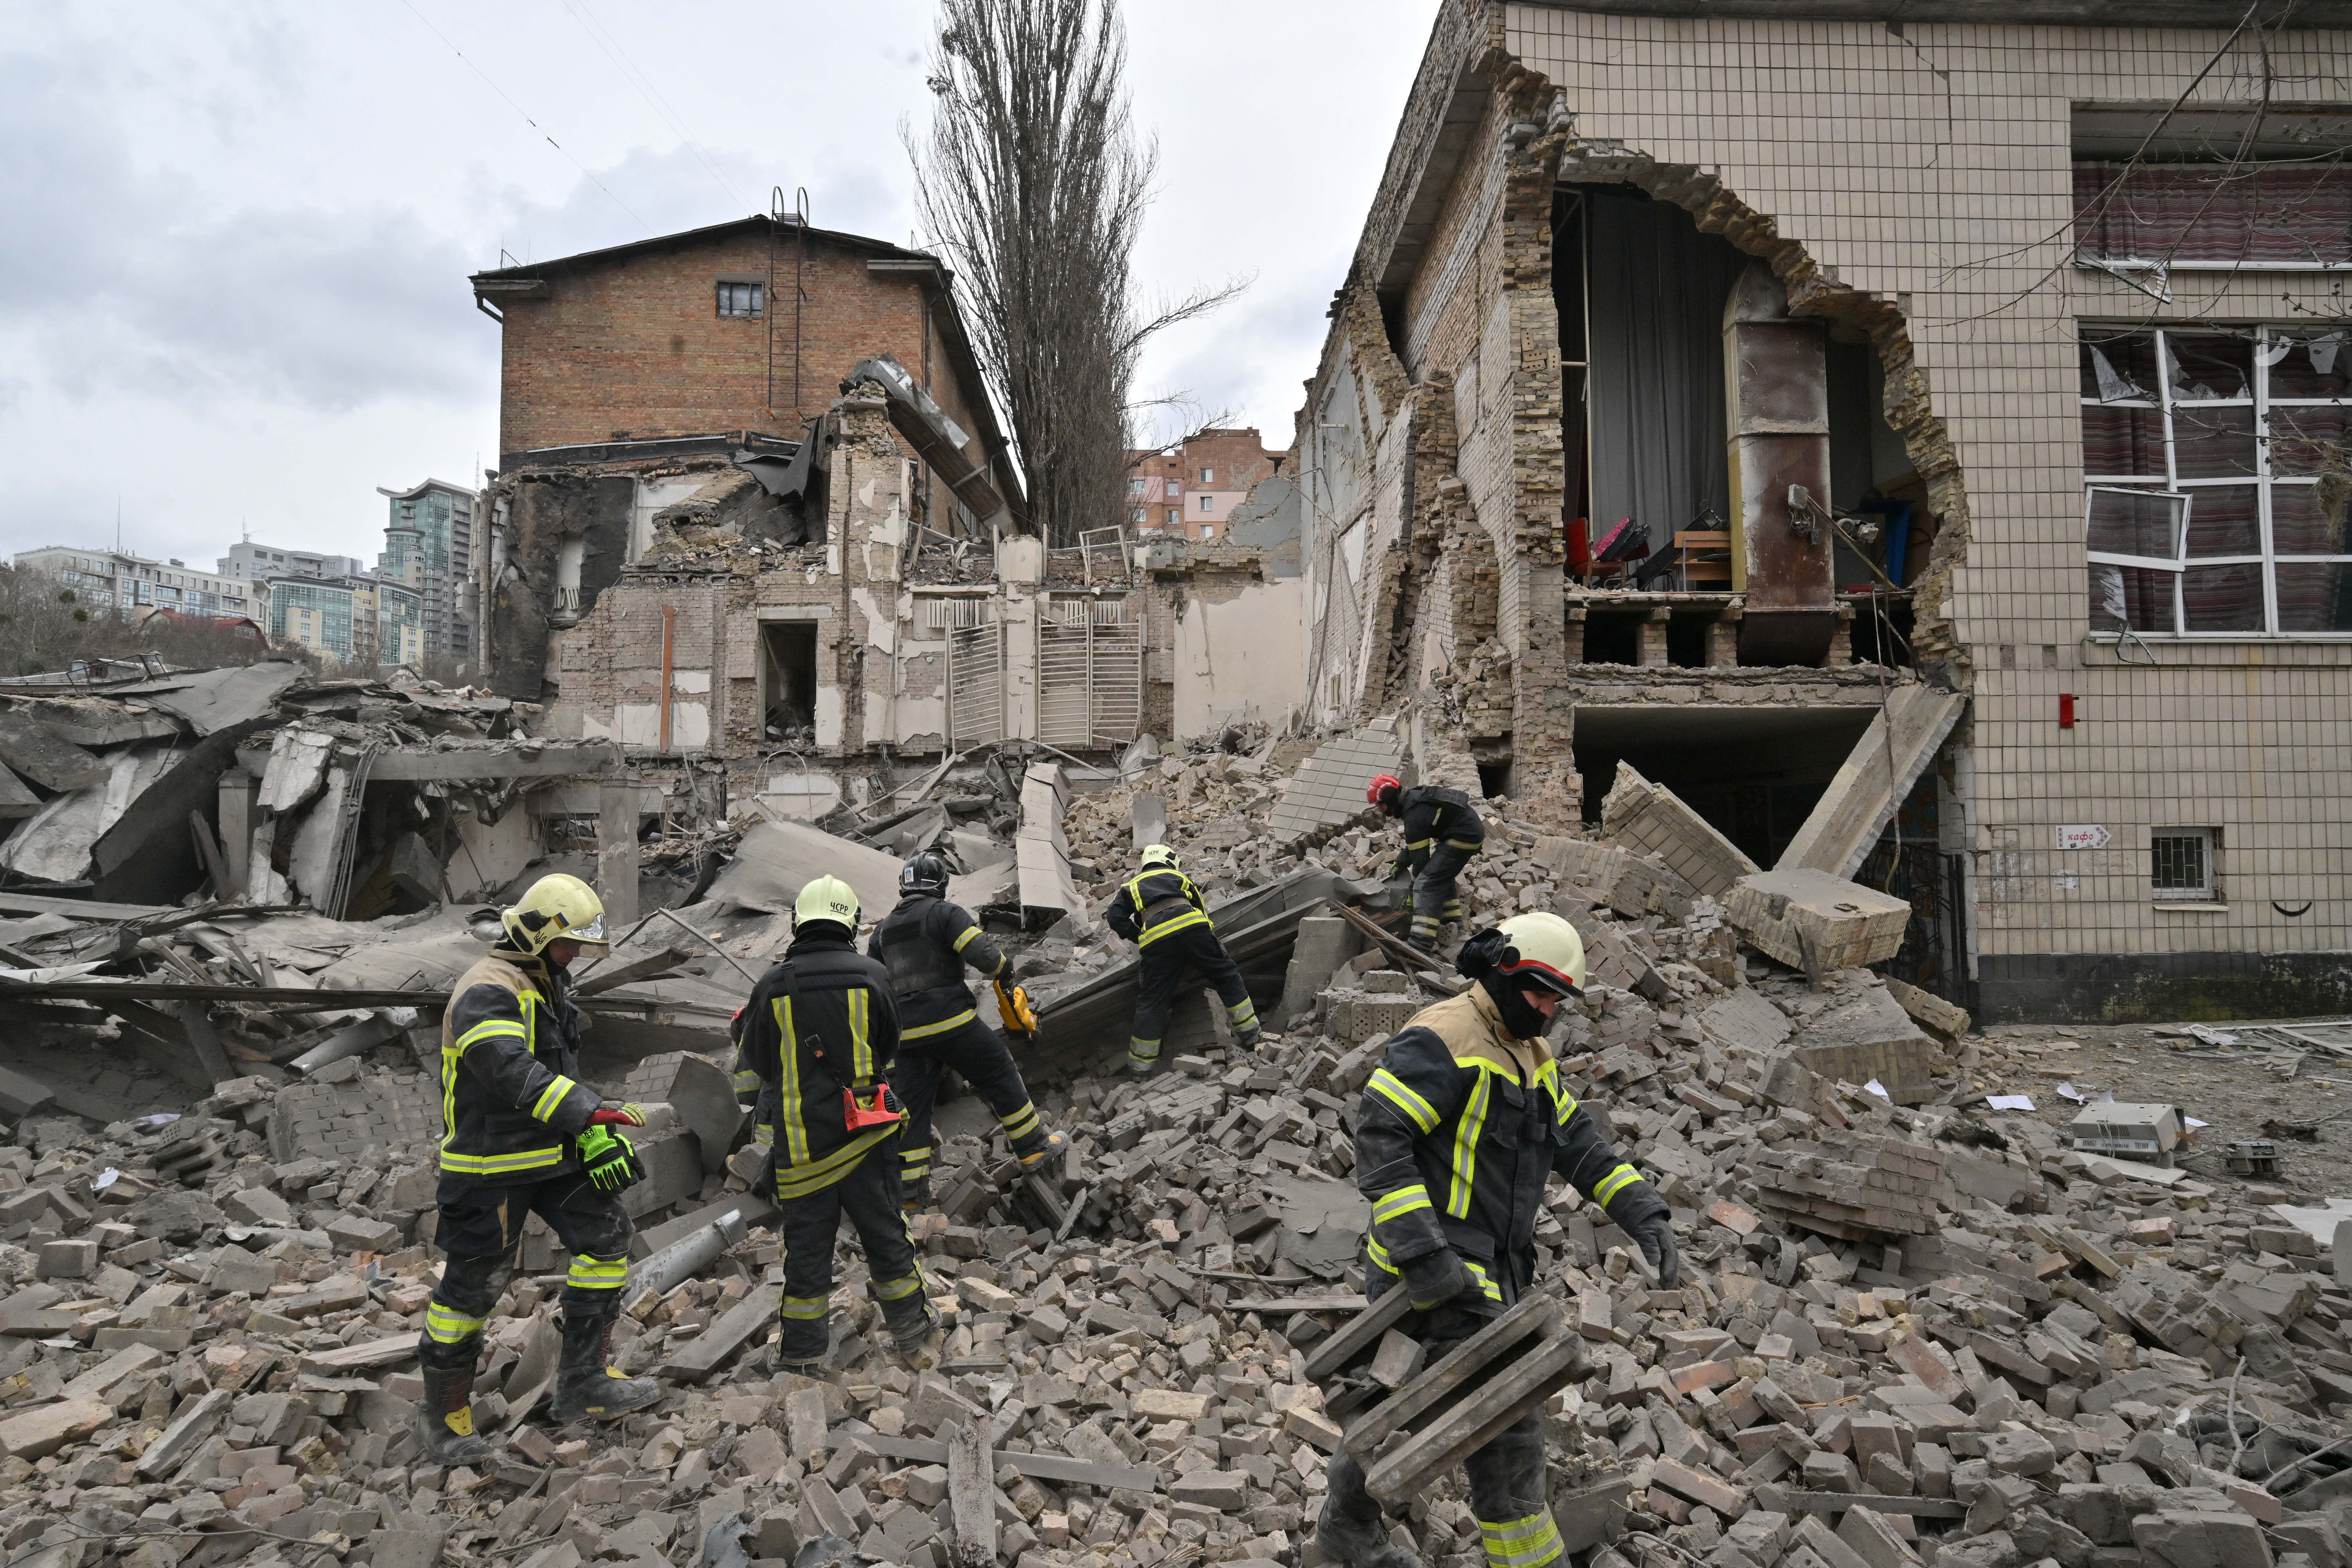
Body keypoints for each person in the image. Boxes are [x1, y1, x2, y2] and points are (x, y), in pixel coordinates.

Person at [1318, 911, 1678, 1568]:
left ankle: (1344, 1533)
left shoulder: (1532, 1057)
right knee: (1506, 1427)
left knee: (1405, 1405)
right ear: (1505, 971)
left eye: (1558, 999)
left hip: (1491, 1272)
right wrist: (1424, 1254)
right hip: (1431, 1272)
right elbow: (1380, 1136)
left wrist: (1643, 1211)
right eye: (1541, 992)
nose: (1548, 1009)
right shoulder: (1444, 1036)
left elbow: (1579, 1145)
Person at [419, 873, 662, 1465]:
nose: (574, 953)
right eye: (568, 942)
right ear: (537, 934)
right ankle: (445, 1419)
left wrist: (593, 1133)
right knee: (472, 1291)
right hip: (489, 1166)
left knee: (607, 1241)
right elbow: (508, 1069)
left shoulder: (544, 983)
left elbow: (558, 1070)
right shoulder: (487, 989)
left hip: (552, 1156)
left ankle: (583, 1382)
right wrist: (586, 1110)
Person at [734, 875, 938, 1369]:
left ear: (798, 923)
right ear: (850, 923)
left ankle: (802, 1356)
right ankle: (912, 1332)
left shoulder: (772, 986)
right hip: (867, 1136)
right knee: (887, 1233)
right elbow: (889, 1047)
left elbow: (757, 1065)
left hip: (802, 1148)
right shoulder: (873, 976)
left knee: (806, 1251)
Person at [870, 852, 1065, 1209]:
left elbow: (874, 979)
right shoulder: (945, 913)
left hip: (907, 1036)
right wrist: (1006, 969)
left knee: (913, 1111)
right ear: (941, 885)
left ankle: (910, 1196)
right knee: (999, 1070)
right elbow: (986, 956)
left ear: (904, 885)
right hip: (951, 1022)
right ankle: (1034, 1148)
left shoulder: (883, 930)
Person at [1106, 844, 1263, 1074]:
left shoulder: (1131, 886)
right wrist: (1205, 945)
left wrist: (1139, 936)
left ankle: (1140, 1068)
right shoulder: (1179, 877)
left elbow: (1114, 916)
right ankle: (1251, 1033)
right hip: (1193, 929)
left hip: (1157, 942)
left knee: (1153, 1001)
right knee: (1226, 975)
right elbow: (1201, 909)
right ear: (1169, 861)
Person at [1367, 774, 1487, 951]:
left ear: (1390, 798)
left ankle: (1420, 942)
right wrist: (1401, 861)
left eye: (1380, 805)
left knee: (1426, 884)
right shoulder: (1415, 800)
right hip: (1468, 831)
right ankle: (1453, 924)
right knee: (1440, 875)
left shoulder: (1414, 815)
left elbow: (1421, 861)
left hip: (1464, 836)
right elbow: (1417, 842)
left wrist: (1412, 894)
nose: (1380, 810)